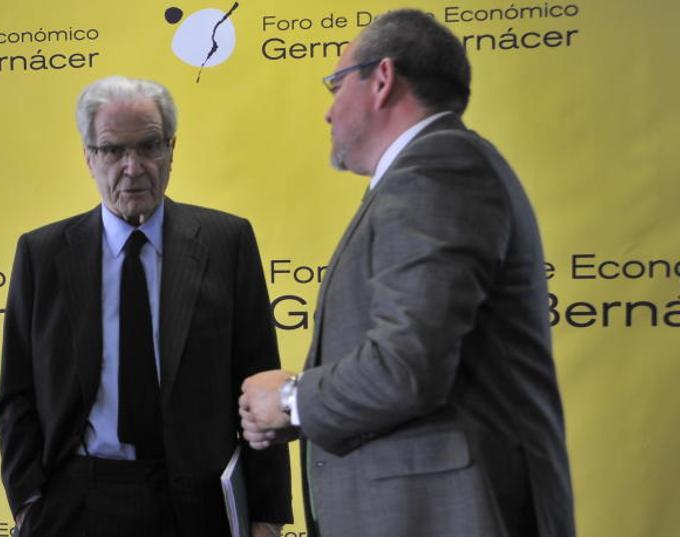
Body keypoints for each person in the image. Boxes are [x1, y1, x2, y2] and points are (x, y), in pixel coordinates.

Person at [238, 9, 575, 537]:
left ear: (382, 79)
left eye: (335, 84)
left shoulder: (438, 169)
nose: (328, 113)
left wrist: (291, 400)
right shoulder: (435, 169)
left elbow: (407, 366)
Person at [0, 76, 293, 537]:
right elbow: (17, 396)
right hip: (76, 500)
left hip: (199, 504)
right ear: (89, 157)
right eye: (112, 150)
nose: (133, 167)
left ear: (172, 149)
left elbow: (260, 383)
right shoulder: (42, 253)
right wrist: (27, 502)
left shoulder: (225, 242)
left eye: (149, 146)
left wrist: (267, 515)